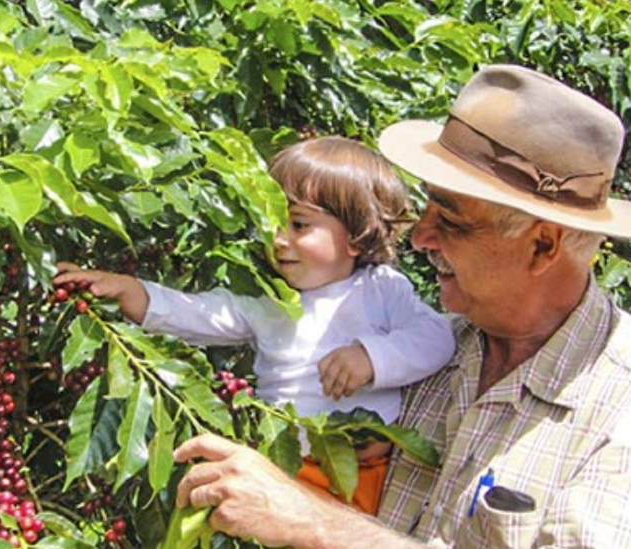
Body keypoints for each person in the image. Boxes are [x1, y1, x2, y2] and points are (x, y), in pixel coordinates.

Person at [171, 64, 631, 549]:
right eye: (428, 207)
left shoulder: (617, 414)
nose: (419, 236)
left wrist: (316, 523)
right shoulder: (425, 346)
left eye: (450, 219)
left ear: (541, 247)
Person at [55, 136, 455, 514]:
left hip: (362, 477)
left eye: (299, 225)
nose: (279, 239)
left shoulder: (381, 289)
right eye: (273, 223)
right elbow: (195, 314)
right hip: (283, 470)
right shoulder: (268, 298)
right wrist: (129, 290)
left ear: (357, 236)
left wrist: (373, 357)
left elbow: (436, 338)